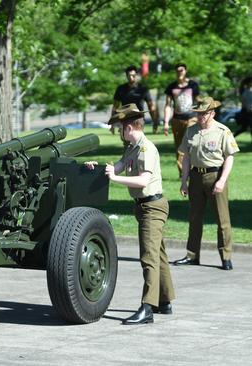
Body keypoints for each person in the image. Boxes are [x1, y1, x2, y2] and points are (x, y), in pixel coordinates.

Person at [86, 104, 175, 325]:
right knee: (159, 255)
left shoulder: (146, 149)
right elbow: (115, 167)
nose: (119, 132)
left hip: (153, 207)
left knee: (149, 258)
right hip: (144, 206)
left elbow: (143, 180)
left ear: (128, 127)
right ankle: (164, 301)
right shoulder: (132, 148)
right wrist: (97, 168)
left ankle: (148, 308)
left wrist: (115, 179)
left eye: (120, 128)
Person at [172, 97, 239, 270]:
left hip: (214, 176)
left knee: (222, 219)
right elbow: (186, 157)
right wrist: (184, 181)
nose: (200, 116)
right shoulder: (191, 131)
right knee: (194, 218)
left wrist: (222, 180)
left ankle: (226, 257)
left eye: (204, 113)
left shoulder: (222, 131)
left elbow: (229, 157)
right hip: (195, 177)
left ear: (212, 113)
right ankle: (192, 255)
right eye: (198, 113)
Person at [163, 63, 200, 176]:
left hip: (191, 117)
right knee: (179, 147)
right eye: (178, 70)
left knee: (191, 143)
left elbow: (198, 99)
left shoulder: (193, 85)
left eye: (182, 70)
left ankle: (194, 170)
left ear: (185, 71)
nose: (180, 72)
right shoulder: (171, 87)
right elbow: (168, 105)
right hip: (177, 119)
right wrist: (165, 122)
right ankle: (183, 173)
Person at [111, 65, 159, 133]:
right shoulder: (120, 89)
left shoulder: (143, 89)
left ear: (136, 75)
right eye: (129, 75)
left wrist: (155, 122)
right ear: (126, 76)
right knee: (126, 141)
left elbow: (151, 106)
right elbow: (115, 107)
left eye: (133, 75)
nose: (131, 77)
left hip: (139, 119)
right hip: (125, 119)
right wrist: (112, 124)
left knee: (137, 139)